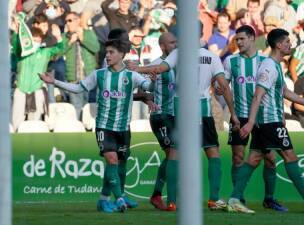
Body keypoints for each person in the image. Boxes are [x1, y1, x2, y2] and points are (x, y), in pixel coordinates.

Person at [39, 35, 153, 213]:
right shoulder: (99, 74)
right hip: (104, 126)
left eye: (111, 52)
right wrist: (53, 81)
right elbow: (78, 88)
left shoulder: (132, 75)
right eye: (106, 52)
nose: (107, 55)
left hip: (123, 127)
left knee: (119, 164)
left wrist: (151, 73)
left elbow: (149, 87)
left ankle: (104, 200)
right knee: (112, 160)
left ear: (121, 54)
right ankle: (120, 199)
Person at [127, 36, 240, 211]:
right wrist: (233, 113)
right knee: (212, 152)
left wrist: (138, 68)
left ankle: (172, 202)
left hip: (180, 111)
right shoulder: (211, 56)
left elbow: (159, 68)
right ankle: (213, 199)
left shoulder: (178, 54)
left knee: (174, 153)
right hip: (202, 110)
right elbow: (224, 86)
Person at [229, 28, 304, 213]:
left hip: (267, 122)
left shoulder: (275, 65)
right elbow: (257, 96)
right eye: (287, 42)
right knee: (290, 157)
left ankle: (234, 198)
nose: (290, 45)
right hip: (270, 122)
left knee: (254, 158)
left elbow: (284, 92)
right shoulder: (269, 67)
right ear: (278, 45)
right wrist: (250, 122)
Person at [144, 32, 178, 211]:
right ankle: (168, 198)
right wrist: (148, 99)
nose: (176, 44)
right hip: (161, 116)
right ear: (163, 46)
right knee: (173, 153)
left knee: (174, 155)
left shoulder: (180, 63)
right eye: (172, 42)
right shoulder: (155, 65)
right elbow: (141, 86)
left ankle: (159, 195)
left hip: (176, 116)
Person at [11, 14, 63, 131]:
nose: (37, 42)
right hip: (21, 89)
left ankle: (33, 146)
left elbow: (59, 50)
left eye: (39, 40)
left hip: (37, 89)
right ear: (29, 40)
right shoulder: (22, 52)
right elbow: (15, 46)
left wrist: (59, 38)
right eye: (34, 40)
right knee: (16, 122)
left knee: (34, 122)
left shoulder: (45, 52)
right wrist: (16, 32)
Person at [61, 12, 100, 120]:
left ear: (78, 20)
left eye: (70, 20)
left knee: (90, 106)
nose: (67, 24)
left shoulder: (88, 33)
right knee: (76, 107)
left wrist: (82, 38)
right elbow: (58, 53)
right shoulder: (65, 37)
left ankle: (92, 130)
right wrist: (70, 42)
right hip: (73, 79)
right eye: (66, 21)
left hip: (89, 77)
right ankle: (78, 128)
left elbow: (96, 48)